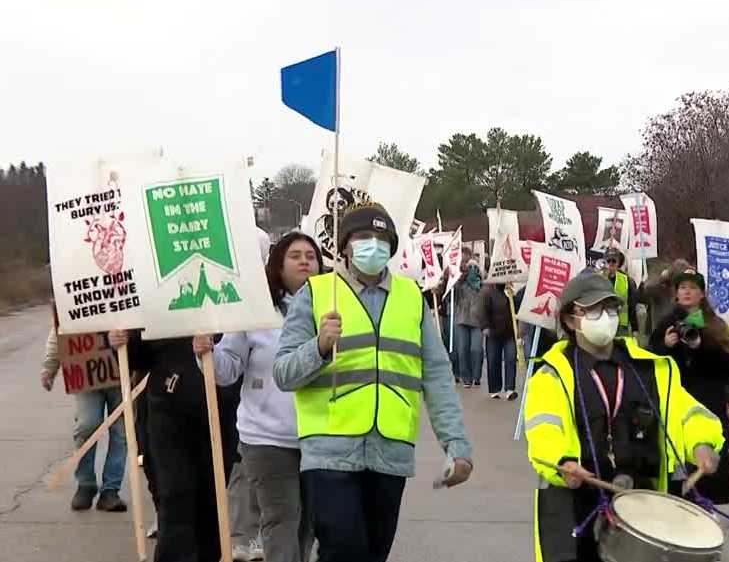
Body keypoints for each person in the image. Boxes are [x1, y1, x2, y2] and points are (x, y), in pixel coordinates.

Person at [273, 201, 473, 562]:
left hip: (390, 452)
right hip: (329, 453)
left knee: (373, 554)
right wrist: (318, 347)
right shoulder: (317, 293)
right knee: (343, 550)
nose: (373, 245)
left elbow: (438, 374)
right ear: (345, 245)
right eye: (364, 236)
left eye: (382, 238)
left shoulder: (412, 298)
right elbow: (283, 373)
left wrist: (456, 443)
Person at [524, 273, 725, 562]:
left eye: (610, 308)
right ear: (570, 320)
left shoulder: (649, 368)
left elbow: (686, 412)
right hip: (577, 500)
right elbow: (545, 427)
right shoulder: (552, 374)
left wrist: (702, 444)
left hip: (641, 501)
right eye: (592, 309)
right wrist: (562, 462)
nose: (604, 316)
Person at [193, 232, 323, 562]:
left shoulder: (333, 311)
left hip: (321, 437)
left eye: (311, 255)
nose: (305, 261)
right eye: (295, 255)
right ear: (278, 264)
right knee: (281, 520)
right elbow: (227, 369)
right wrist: (206, 353)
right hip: (267, 439)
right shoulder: (255, 311)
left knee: (308, 523)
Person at [107, 327, 239, 562]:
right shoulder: (158, 302)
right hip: (168, 416)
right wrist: (121, 342)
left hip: (221, 414)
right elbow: (138, 357)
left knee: (212, 501)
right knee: (175, 498)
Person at [650, 268, 729, 504]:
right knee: (677, 450)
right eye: (683, 287)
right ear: (676, 293)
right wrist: (665, 346)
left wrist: (700, 346)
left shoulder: (714, 324)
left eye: (692, 288)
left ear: (702, 293)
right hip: (677, 398)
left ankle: (709, 501)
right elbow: (650, 360)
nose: (687, 292)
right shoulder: (666, 323)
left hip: (708, 397)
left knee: (709, 448)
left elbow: (728, 364)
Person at [41, 312, 128, 513]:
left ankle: (110, 491)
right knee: (87, 426)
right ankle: (86, 484)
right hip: (86, 370)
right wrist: (49, 368)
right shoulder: (71, 286)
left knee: (121, 433)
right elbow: (59, 330)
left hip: (123, 369)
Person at [478, 282, 520, 400]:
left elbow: (517, 309)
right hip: (493, 333)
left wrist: (513, 296)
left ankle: (510, 389)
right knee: (493, 361)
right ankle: (495, 389)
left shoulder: (511, 292)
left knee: (511, 359)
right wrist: (485, 326)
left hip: (510, 333)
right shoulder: (488, 293)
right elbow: (482, 310)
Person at [452, 258, 485, 388]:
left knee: (476, 349)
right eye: (469, 267)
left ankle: (476, 376)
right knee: (462, 349)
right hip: (462, 319)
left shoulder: (482, 284)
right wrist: (460, 277)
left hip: (478, 321)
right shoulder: (460, 284)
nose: (472, 270)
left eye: (474, 267)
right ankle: (466, 378)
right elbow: (451, 290)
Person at [599, 248, 638, 336]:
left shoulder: (627, 280)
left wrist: (635, 329)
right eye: (608, 261)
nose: (611, 264)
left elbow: (632, 306)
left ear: (618, 263)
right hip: (602, 324)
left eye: (614, 261)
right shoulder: (598, 278)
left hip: (620, 326)